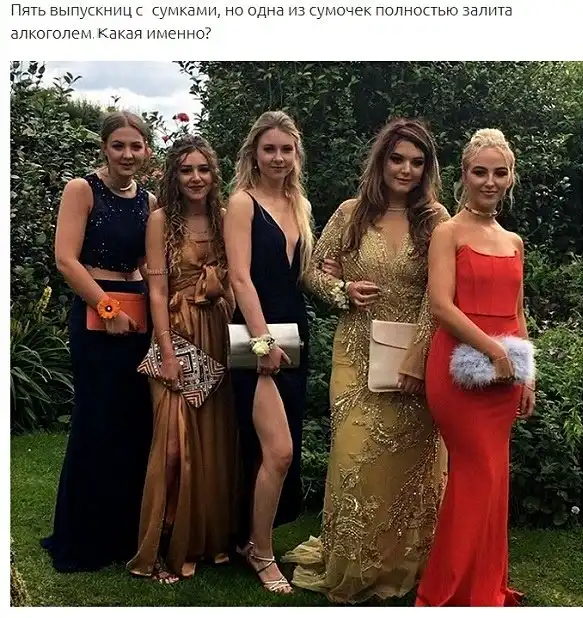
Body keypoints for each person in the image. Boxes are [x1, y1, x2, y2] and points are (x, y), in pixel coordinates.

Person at [282, 118, 449, 603]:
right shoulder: (351, 213)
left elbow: (440, 293)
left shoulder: (436, 219)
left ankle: (406, 565)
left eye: (417, 162)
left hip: (417, 354)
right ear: (381, 160)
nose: (406, 169)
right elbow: (311, 272)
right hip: (356, 352)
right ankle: (354, 563)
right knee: (354, 458)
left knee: (413, 467)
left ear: (427, 169)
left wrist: (418, 355)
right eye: (397, 159)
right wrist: (343, 290)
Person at [415, 128, 535, 607]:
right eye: (480, 171)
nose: (489, 181)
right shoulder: (448, 232)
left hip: (505, 376)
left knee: (494, 479)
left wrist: (526, 373)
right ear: (463, 175)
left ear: (510, 178)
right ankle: (446, 593)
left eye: (499, 173)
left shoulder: (514, 241)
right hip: (459, 370)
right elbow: (440, 306)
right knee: (476, 476)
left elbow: (517, 312)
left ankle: (483, 586)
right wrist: (494, 351)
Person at [42, 111, 154, 572]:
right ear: (104, 148)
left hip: (140, 315)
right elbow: (66, 260)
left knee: (133, 425)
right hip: (97, 316)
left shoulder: (148, 199)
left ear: (147, 150)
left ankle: (123, 535)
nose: (127, 154)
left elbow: (148, 264)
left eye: (135, 146)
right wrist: (107, 310)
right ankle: (84, 539)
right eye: (118, 145)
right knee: (96, 421)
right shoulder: (82, 189)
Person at [127, 135, 241, 583]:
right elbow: (156, 291)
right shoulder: (160, 221)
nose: (196, 178)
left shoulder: (225, 217)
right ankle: (160, 546)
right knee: (173, 447)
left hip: (216, 332)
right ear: (174, 175)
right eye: (186, 170)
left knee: (212, 442)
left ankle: (205, 541)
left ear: (214, 174)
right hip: (175, 331)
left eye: (203, 169)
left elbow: (237, 279)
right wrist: (167, 351)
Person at [224, 110, 315, 595]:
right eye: (269, 149)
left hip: (295, 330)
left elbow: (301, 276)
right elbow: (240, 278)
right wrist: (261, 342)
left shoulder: (298, 203)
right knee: (278, 451)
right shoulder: (242, 203)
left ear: (296, 154)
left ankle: (251, 540)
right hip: (254, 333)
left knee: (278, 450)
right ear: (254, 154)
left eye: (286, 149)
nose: (278, 157)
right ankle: (260, 553)